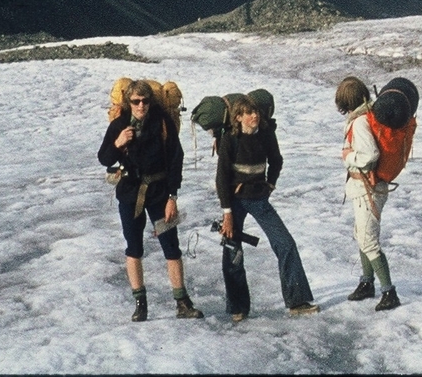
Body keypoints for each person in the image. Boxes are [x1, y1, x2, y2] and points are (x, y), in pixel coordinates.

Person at [97, 79, 204, 322]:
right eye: (136, 101)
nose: (141, 105)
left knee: (171, 247)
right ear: (129, 102)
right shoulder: (118, 126)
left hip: (159, 194)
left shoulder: (163, 124)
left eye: (145, 101)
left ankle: (182, 301)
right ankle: (140, 303)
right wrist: (118, 143)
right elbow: (104, 158)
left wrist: (172, 197)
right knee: (133, 248)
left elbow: (176, 160)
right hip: (129, 193)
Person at [216, 94, 319, 320]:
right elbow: (222, 177)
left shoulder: (265, 134)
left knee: (285, 243)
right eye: (249, 113)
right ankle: (238, 308)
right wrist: (227, 214)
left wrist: (270, 183)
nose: (255, 116)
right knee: (232, 251)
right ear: (239, 117)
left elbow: (277, 160)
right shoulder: (229, 139)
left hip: (258, 198)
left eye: (256, 112)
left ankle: (297, 301)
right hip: (234, 201)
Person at [337, 75, 404, 311]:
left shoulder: (359, 122)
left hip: (368, 187)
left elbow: (370, 155)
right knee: (362, 234)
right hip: (368, 186)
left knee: (368, 240)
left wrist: (348, 157)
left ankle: (389, 292)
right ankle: (367, 283)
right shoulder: (367, 116)